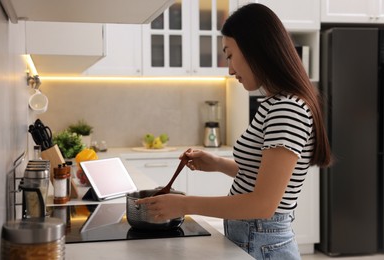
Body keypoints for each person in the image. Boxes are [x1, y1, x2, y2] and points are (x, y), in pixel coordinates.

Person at [136, 3, 332, 259]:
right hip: (256, 239)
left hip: (262, 242)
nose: (229, 69)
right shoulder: (275, 104)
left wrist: (184, 204)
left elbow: (263, 204)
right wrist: (217, 163)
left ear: (254, 49)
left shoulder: (286, 108)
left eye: (229, 55)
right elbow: (263, 177)